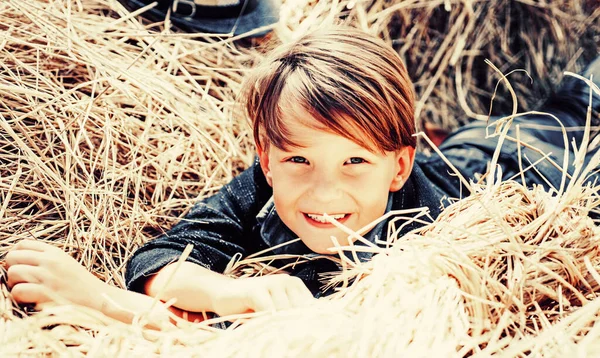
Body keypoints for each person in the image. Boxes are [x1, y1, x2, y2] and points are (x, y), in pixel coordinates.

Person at [4, 27, 600, 327]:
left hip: (539, 168)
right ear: (266, 159)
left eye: (354, 162)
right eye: (298, 160)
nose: (323, 191)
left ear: (397, 166)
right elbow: (162, 260)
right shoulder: (260, 191)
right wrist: (220, 292)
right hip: (467, 148)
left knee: (578, 108)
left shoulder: (434, 232)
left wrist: (102, 304)